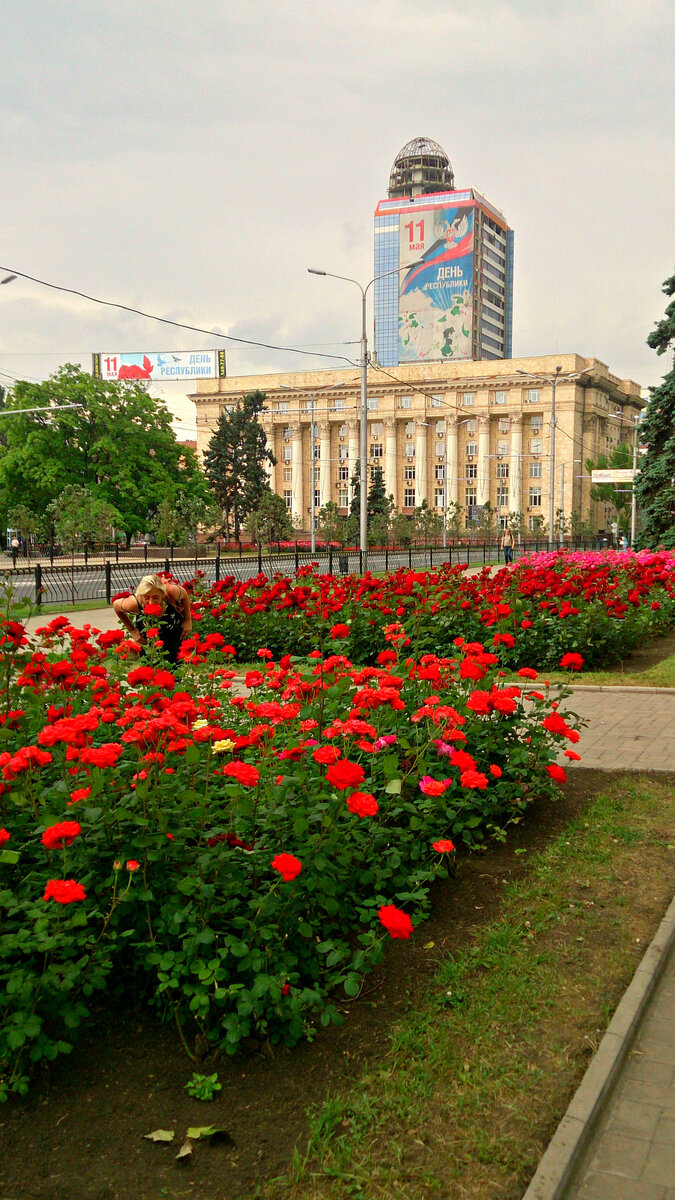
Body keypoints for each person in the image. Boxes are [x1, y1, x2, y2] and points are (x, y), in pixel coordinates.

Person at [112, 574, 192, 665]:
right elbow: (116, 606)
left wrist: (187, 620)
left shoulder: (171, 592)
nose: (151, 602)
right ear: (141, 596)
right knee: (150, 670)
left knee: (175, 670)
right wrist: (132, 630)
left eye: (155, 597)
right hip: (149, 641)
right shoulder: (133, 603)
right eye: (146, 597)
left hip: (173, 633)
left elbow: (185, 595)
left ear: (162, 594)